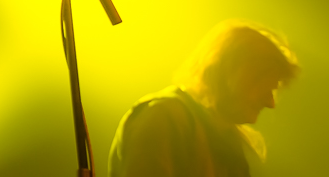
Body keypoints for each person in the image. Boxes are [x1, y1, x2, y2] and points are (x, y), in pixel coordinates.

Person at [108, 20, 299, 177]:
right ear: (234, 73)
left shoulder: (225, 138)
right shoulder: (163, 117)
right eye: (265, 88)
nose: (270, 103)